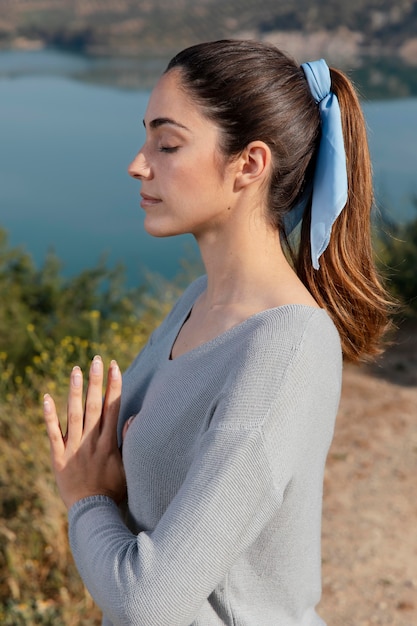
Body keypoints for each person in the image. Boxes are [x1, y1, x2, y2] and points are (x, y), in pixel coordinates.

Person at [43, 39, 393, 626]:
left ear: (250, 165)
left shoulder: (287, 348)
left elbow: (147, 602)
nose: (139, 163)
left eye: (168, 143)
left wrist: (86, 500)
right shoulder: (196, 304)